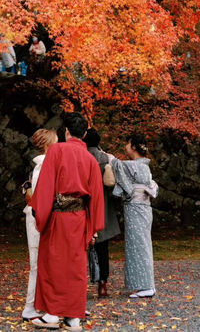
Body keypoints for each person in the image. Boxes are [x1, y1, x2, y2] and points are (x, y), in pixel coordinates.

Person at [30, 112, 104, 330]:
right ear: (84, 133)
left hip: (57, 217)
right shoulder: (90, 159)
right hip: (80, 218)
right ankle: (73, 318)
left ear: (67, 131)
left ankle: (52, 314)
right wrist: (93, 228)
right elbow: (96, 197)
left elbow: (45, 189)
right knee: (76, 267)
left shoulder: (56, 151)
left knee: (52, 263)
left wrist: (40, 217)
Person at [109, 133, 157, 299]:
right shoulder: (142, 166)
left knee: (139, 245)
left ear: (134, 146)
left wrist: (109, 158)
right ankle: (144, 284)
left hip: (137, 208)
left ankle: (146, 286)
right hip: (141, 208)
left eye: (128, 144)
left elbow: (117, 166)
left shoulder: (134, 166)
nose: (126, 147)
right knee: (140, 244)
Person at [21, 128, 58, 322]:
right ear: (47, 145)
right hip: (38, 218)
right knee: (37, 263)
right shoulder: (43, 166)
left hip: (36, 215)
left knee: (40, 263)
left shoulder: (39, 166)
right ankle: (30, 306)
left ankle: (38, 304)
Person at [84, 127, 120, 297]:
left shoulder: (80, 157)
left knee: (78, 248)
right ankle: (102, 284)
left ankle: (78, 285)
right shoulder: (105, 158)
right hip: (103, 207)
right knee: (102, 248)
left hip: (83, 206)